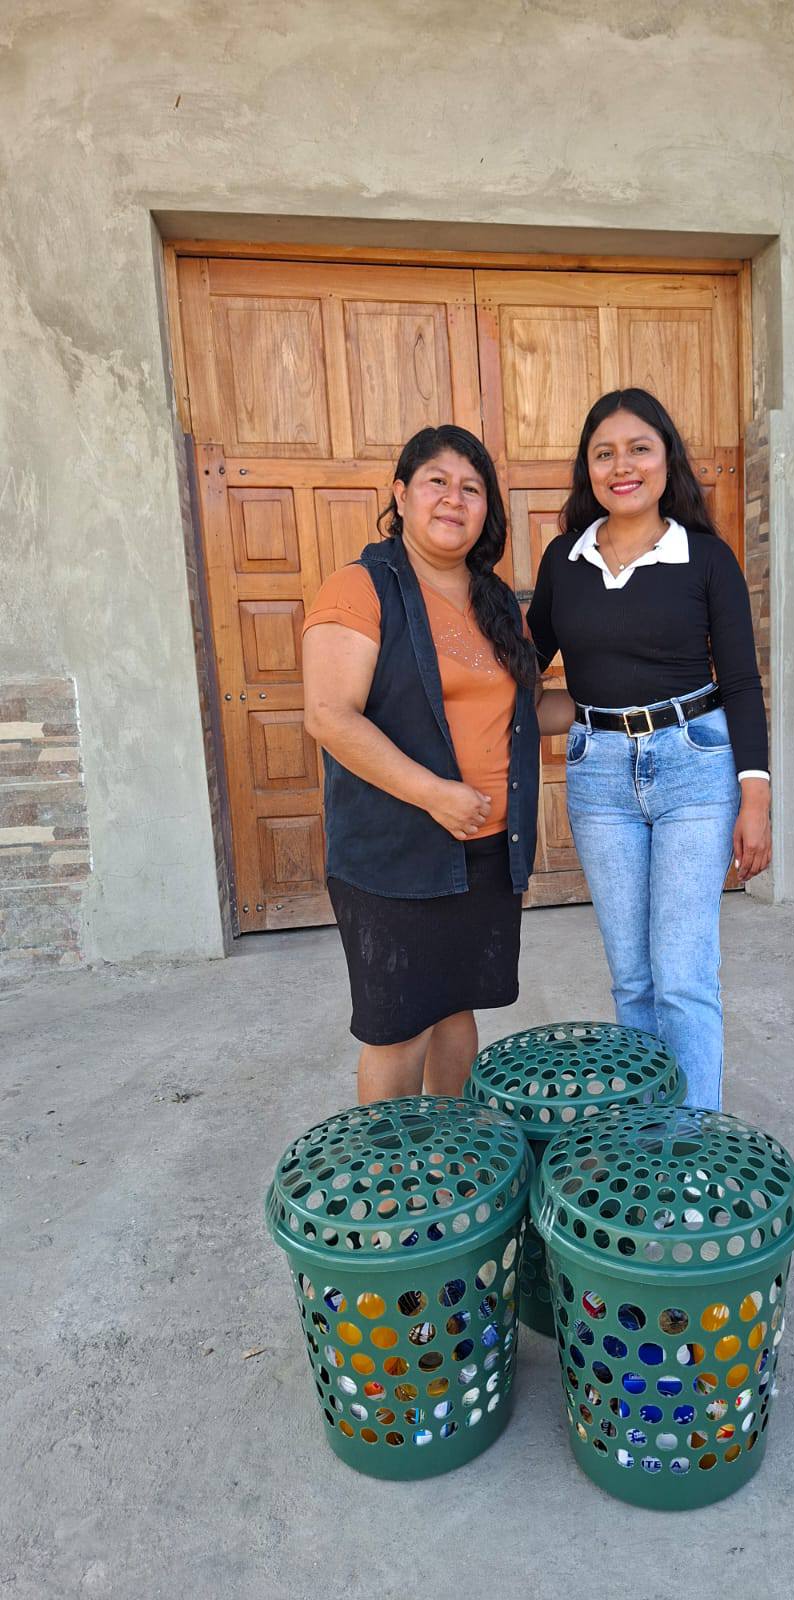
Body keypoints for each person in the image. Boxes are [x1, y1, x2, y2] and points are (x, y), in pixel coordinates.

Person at [526, 388, 771, 1111]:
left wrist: (755, 796)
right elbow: (521, 670)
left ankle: (692, 1147)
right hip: (599, 775)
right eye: (604, 453)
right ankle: (645, 1138)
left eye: (639, 448)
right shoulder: (565, 561)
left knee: (682, 976)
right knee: (633, 979)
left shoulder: (706, 558)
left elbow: (742, 681)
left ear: (667, 460)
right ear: (588, 469)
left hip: (696, 767)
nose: (621, 465)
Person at [302, 424, 553, 1105]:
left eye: (471, 488)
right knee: (399, 1029)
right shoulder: (360, 588)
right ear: (400, 494)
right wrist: (435, 794)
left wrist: (633, 703)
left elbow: (527, 711)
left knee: (455, 1010)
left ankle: (456, 1156)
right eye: (436, 481)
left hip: (486, 850)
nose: (454, 498)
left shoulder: (496, 603)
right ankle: (390, 1168)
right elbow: (329, 715)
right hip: (397, 854)